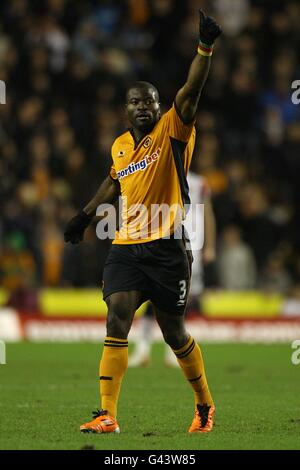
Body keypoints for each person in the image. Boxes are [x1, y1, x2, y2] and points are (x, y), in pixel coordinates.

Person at [64, 10, 221, 434]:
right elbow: (113, 184)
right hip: (127, 246)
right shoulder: (119, 147)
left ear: (157, 106)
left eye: (148, 101)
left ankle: (205, 405)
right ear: (126, 110)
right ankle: (107, 414)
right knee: (117, 315)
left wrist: (204, 48)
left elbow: (192, 88)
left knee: (174, 333)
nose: (142, 108)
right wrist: (83, 216)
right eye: (134, 102)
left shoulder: (174, 128)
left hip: (168, 246)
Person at [128, 172, 216, 367]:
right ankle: (144, 348)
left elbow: (207, 214)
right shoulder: (159, 176)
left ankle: (171, 351)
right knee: (155, 297)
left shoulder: (199, 183)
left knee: (180, 301)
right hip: (164, 246)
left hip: (192, 248)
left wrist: (210, 246)